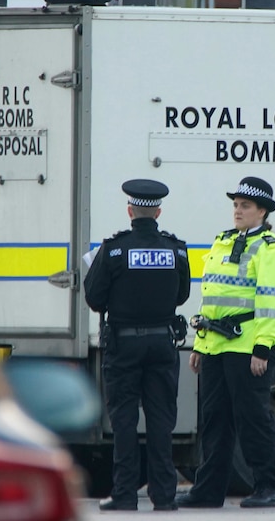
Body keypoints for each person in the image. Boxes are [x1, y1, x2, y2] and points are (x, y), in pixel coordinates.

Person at [176, 176, 275, 509]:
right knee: (214, 421)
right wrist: (199, 343)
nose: (237, 211)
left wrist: (263, 348)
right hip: (215, 345)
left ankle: (269, 486)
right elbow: (211, 297)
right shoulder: (223, 241)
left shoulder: (272, 249)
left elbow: (272, 302)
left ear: (262, 211)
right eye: (236, 205)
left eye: (245, 206)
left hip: (247, 348)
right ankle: (208, 491)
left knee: (253, 419)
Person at [83, 178, 190, 512]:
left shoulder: (114, 249)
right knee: (161, 421)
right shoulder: (176, 249)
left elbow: (94, 297)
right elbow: (182, 295)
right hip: (162, 344)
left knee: (124, 422)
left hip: (123, 347)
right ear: (158, 211)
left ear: (130, 210)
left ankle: (125, 494)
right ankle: (164, 497)